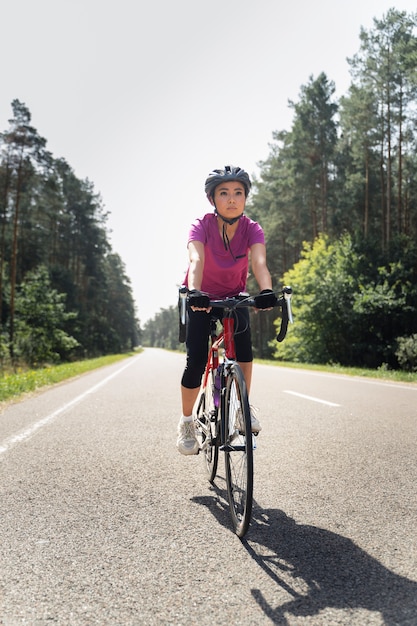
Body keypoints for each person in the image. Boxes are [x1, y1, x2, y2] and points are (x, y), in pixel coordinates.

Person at [177, 165, 277, 455]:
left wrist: (267, 291)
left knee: (244, 351)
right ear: (212, 199)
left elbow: (259, 263)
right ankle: (186, 422)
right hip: (202, 297)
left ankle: (242, 409)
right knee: (196, 359)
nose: (232, 199)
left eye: (238, 193)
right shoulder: (201, 225)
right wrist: (195, 293)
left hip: (234, 296)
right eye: (224, 193)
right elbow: (196, 260)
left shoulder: (252, 228)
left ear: (245, 197)